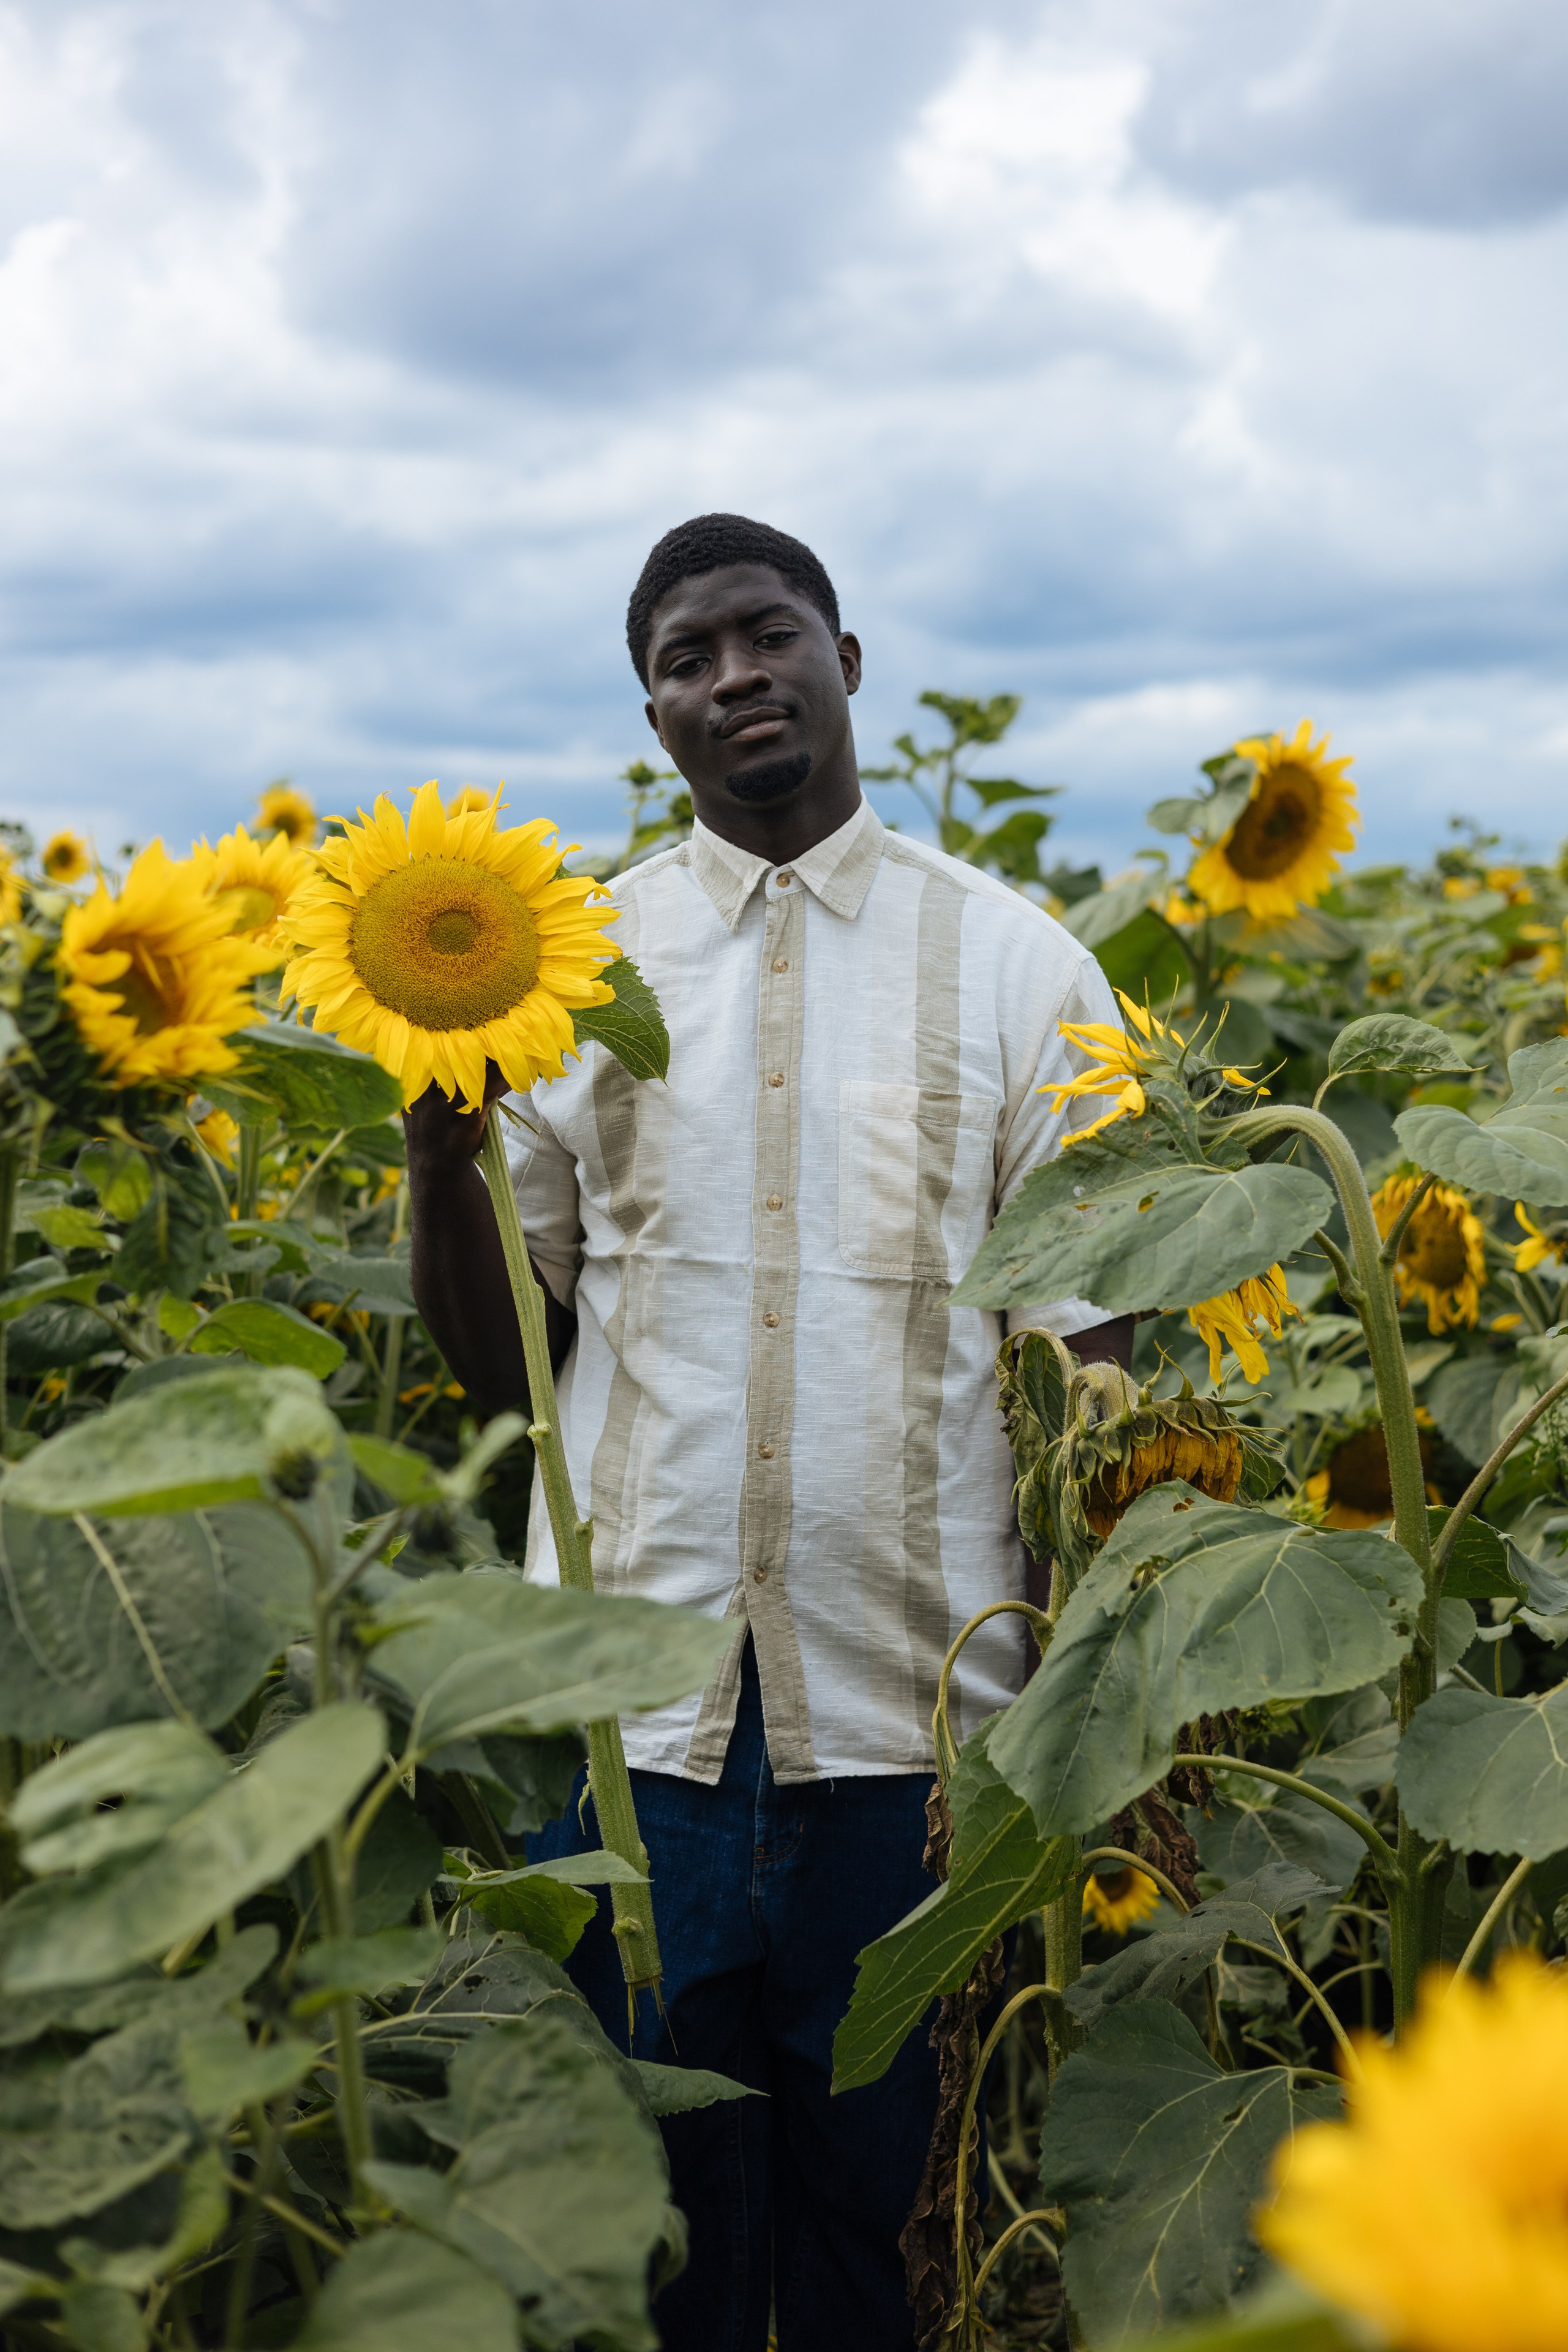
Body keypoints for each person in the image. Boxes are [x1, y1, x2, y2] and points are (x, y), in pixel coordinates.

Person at [404, 513, 1134, 2352]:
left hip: (924, 1723)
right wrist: (437, 1151)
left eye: (764, 633)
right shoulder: (577, 970)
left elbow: (1092, 1375)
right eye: (683, 658)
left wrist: (1091, 1720)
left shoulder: (1024, 970)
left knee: (887, 2216)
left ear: (845, 657)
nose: (732, 676)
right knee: (657, 2236)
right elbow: (513, 1376)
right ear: (651, 717)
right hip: (636, 1719)